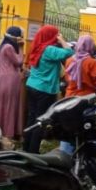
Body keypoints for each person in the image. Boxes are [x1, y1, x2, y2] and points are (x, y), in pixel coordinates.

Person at [24, 25, 74, 153]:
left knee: (31, 118)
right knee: (41, 120)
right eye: (55, 34)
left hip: (31, 85)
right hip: (44, 89)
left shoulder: (36, 47)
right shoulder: (49, 50)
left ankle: (26, 148)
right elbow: (69, 52)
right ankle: (33, 152)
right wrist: (62, 40)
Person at [61, 35, 96, 154]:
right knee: (84, 128)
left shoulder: (70, 60)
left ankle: (65, 154)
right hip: (86, 100)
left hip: (69, 99)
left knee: (69, 127)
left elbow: (67, 79)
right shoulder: (92, 62)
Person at [0, 26, 25, 146]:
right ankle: (8, 133)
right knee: (10, 107)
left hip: (2, 79)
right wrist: (21, 48)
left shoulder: (4, 45)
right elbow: (19, 61)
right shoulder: (9, 47)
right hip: (10, 81)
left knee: (0, 106)